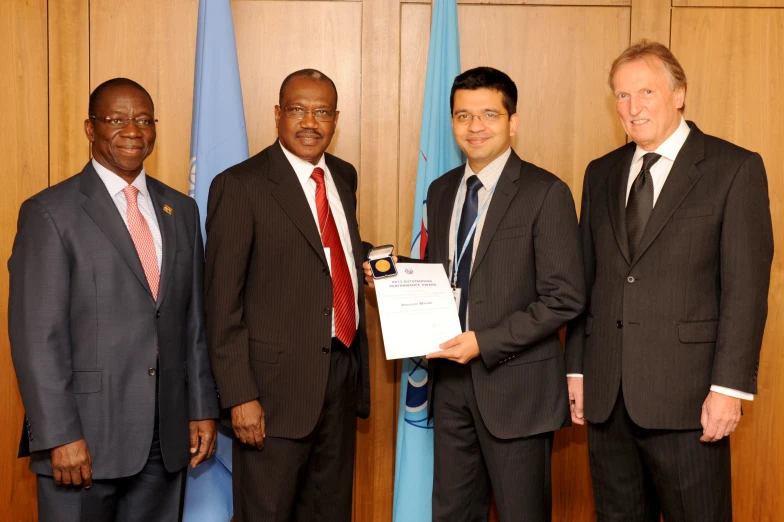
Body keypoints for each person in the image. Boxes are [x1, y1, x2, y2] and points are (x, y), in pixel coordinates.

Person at [565, 41, 774, 522]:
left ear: (679, 93)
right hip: (608, 400)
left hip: (691, 402)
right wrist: (576, 370)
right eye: (620, 96)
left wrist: (729, 389)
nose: (632, 108)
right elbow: (587, 281)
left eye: (645, 92)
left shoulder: (734, 169)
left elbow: (745, 290)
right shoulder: (601, 173)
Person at [367, 66, 585, 521]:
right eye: (463, 116)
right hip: (451, 387)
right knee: (452, 513)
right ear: (451, 123)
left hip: (516, 390)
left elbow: (564, 297)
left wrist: (484, 341)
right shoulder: (442, 189)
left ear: (513, 121)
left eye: (488, 114)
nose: (475, 127)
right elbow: (445, 275)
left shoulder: (546, 192)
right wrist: (391, 281)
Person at [8, 77, 219, 522]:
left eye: (143, 120)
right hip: (83, 439)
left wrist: (201, 408)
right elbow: (36, 337)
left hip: (165, 439)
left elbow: (193, 322)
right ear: (90, 128)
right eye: (117, 119)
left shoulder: (181, 210)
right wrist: (59, 434)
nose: (132, 130)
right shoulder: (49, 212)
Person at [205, 68, 370, 522]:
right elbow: (222, 304)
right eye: (298, 110)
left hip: (339, 375)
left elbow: (323, 249)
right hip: (271, 394)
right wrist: (240, 396)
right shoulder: (241, 185)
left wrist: (370, 263)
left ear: (336, 118)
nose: (309, 122)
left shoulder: (343, 175)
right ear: (278, 114)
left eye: (321, 112)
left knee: (330, 510)